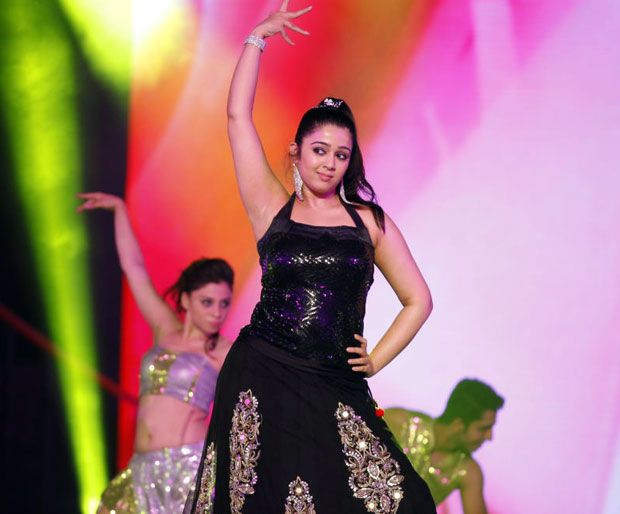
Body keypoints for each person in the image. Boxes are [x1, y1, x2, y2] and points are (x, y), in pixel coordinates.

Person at [185, 2, 437, 513]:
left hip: (333, 383)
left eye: (341, 155)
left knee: (406, 500)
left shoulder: (368, 223)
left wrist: (376, 359)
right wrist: (257, 38)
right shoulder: (272, 209)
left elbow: (419, 300)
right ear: (296, 151)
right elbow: (237, 118)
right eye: (319, 150)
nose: (329, 163)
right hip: (262, 374)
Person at [77, 192, 235, 514]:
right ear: (186, 300)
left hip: (187, 471)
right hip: (142, 468)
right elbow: (134, 268)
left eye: (224, 303)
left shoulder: (224, 351)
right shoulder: (165, 329)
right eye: (207, 302)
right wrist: (119, 209)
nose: (217, 312)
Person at [383, 379, 505, 514]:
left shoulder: (468, 471)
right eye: (483, 428)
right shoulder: (399, 423)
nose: (489, 437)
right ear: (458, 425)